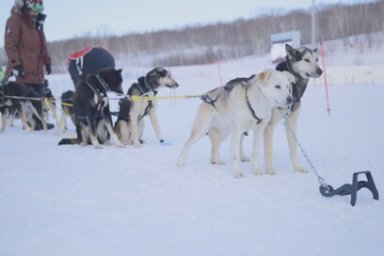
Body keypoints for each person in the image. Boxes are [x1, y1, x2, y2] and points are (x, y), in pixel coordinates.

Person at [4, 0, 53, 130]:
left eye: (40, 7)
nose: (37, 11)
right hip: (23, 70)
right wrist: (16, 64)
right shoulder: (14, 21)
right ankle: (30, 122)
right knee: (26, 97)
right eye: (35, 7)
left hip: (37, 70)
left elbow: (43, 46)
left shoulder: (37, 24)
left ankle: (39, 121)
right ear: (26, 6)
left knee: (39, 96)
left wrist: (47, 62)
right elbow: (10, 46)